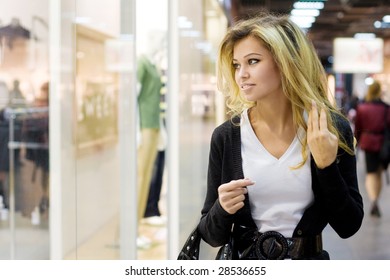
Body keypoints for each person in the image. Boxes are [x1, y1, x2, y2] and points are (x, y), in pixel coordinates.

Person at [197, 13, 363, 260]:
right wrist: (222, 208)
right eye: (236, 65)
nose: (241, 74)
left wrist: (327, 166)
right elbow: (211, 235)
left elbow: (348, 225)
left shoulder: (330, 129)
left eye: (253, 61)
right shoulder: (226, 136)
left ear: (286, 63)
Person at [354, 80, 390, 218]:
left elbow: (358, 128)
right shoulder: (386, 108)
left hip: (368, 143)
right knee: (379, 173)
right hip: (383, 144)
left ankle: (373, 200)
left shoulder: (362, 108)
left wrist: (355, 143)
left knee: (370, 174)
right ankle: (376, 199)